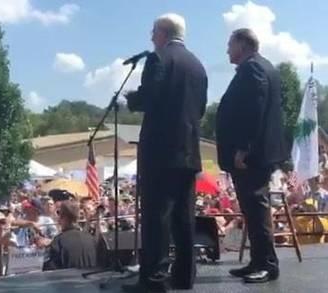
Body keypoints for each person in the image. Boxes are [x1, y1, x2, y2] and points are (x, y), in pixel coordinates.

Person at [124, 13, 207, 292]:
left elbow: (151, 97)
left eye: (153, 32)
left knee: (156, 215)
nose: (150, 37)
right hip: (188, 150)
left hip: (160, 150)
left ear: (163, 33)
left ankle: (154, 280)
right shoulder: (198, 65)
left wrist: (132, 99)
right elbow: (201, 109)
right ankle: (185, 276)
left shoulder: (157, 59)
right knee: (184, 216)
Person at [216, 28, 287, 283]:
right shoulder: (262, 66)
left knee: (256, 210)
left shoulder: (253, 69)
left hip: (251, 155)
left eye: (230, 44)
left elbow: (253, 112)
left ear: (243, 45)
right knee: (252, 210)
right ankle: (258, 260)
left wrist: (243, 148)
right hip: (256, 154)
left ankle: (267, 263)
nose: (227, 50)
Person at [43, 201, 97, 271]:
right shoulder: (91, 239)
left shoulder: (58, 242)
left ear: (63, 217)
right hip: (92, 281)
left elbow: (50, 271)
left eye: (59, 213)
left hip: (70, 281)